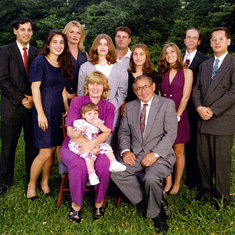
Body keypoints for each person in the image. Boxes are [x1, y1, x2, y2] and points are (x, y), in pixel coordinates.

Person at [111, 75, 177, 233]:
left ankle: (156, 216)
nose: (143, 91)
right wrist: (126, 151)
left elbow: (170, 134)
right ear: (134, 91)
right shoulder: (130, 106)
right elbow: (124, 133)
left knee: (151, 178)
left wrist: (155, 154)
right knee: (116, 173)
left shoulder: (167, 104)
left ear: (153, 86)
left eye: (146, 86)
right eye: (139, 88)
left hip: (160, 155)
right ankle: (153, 200)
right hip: (136, 154)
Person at [60, 70, 116, 222]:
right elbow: (70, 132)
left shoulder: (109, 107)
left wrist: (93, 144)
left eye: (99, 84)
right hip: (73, 145)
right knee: (78, 165)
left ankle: (98, 203)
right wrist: (87, 145)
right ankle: (75, 206)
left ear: (104, 87)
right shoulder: (77, 102)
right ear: (87, 86)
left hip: (97, 145)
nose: (95, 87)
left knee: (104, 164)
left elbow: (107, 132)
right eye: (92, 83)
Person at [26, 30, 73, 199]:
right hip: (44, 111)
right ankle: (31, 184)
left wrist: (67, 111)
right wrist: (40, 114)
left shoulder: (62, 63)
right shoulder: (40, 62)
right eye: (55, 42)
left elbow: (62, 90)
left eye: (61, 42)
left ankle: (44, 183)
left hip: (58, 112)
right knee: (45, 152)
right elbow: (35, 88)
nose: (58, 45)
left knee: (53, 149)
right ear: (48, 44)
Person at [192, 27, 235, 208]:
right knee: (204, 160)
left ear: (228, 41)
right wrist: (200, 107)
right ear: (210, 42)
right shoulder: (204, 65)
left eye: (220, 39)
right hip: (203, 118)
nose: (217, 42)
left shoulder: (233, 64)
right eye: (213, 39)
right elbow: (196, 89)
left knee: (221, 160)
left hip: (222, 119)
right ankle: (206, 192)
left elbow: (234, 92)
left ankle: (222, 197)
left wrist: (212, 109)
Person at [0, 17, 39, 195]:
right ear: (15, 31)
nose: (26, 33)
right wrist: (22, 98)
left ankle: (32, 179)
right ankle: (4, 181)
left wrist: (32, 99)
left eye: (29, 30)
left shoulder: (37, 53)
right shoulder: (4, 51)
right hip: (12, 106)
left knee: (32, 146)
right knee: (8, 146)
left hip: (32, 108)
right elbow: (3, 79)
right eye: (22, 29)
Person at [77, 34, 128, 148]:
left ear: (110, 47)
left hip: (112, 114)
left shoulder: (120, 68)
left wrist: (108, 108)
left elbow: (122, 93)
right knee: (89, 149)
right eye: (99, 44)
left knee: (107, 149)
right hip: (90, 115)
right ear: (95, 47)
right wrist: (91, 110)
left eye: (106, 44)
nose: (102, 47)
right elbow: (81, 91)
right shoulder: (85, 67)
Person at [158, 43, 193, 194]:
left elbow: (185, 97)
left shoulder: (187, 72)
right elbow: (159, 95)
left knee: (178, 151)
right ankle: (168, 181)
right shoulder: (162, 73)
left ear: (178, 53)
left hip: (180, 116)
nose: (170, 55)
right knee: (165, 150)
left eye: (172, 52)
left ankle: (177, 184)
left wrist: (177, 115)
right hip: (164, 116)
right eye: (167, 53)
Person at [68, 103, 126, 185]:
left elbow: (106, 131)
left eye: (95, 113)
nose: (93, 116)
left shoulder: (98, 122)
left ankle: (113, 163)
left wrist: (98, 124)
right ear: (84, 115)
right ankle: (91, 174)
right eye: (89, 113)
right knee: (88, 154)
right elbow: (74, 136)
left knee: (106, 146)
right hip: (81, 144)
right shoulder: (80, 123)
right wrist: (79, 131)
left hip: (94, 143)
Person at [183, 28, 210, 190]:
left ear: (199, 41)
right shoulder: (176, 57)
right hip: (177, 108)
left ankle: (194, 180)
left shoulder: (205, 60)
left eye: (195, 38)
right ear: (185, 40)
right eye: (188, 37)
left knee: (194, 145)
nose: (191, 40)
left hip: (195, 108)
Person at [62, 21, 88, 100]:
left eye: (78, 33)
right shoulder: (60, 54)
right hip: (63, 97)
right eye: (72, 32)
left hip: (81, 97)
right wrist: (67, 96)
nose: (75, 36)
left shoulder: (85, 55)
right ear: (66, 34)